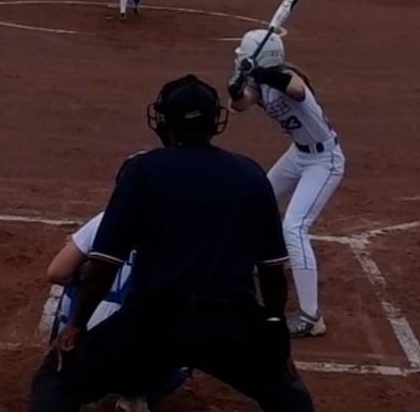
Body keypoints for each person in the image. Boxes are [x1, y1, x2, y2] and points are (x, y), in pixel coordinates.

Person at [27, 75, 312, 412]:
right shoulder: (251, 175)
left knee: (56, 382)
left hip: (154, 321)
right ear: (215, 122)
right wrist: (275, 334)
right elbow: (272, 271)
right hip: (231, 323)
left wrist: (77, 325)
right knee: (287, 395)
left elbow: (103, 265)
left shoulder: (143, 171)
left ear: (164, 121)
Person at [228, 30, 344, 339]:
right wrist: (236, 89)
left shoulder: (288, 76)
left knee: (294, 227)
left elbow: (296, 89)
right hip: (298, 154)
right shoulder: (260, 84)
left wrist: (259, 71)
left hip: (325, 160)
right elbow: (238, 105)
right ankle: (257, 262)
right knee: (257, 199)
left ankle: (311, 316)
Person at [45, 211, 194, 411]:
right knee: (186, 312)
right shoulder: (187, 227)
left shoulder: (107, 219)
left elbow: (56, 273)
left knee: (75, 282)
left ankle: (70, 383)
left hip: (87, 351)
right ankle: (137, 394)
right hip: (140, 352)